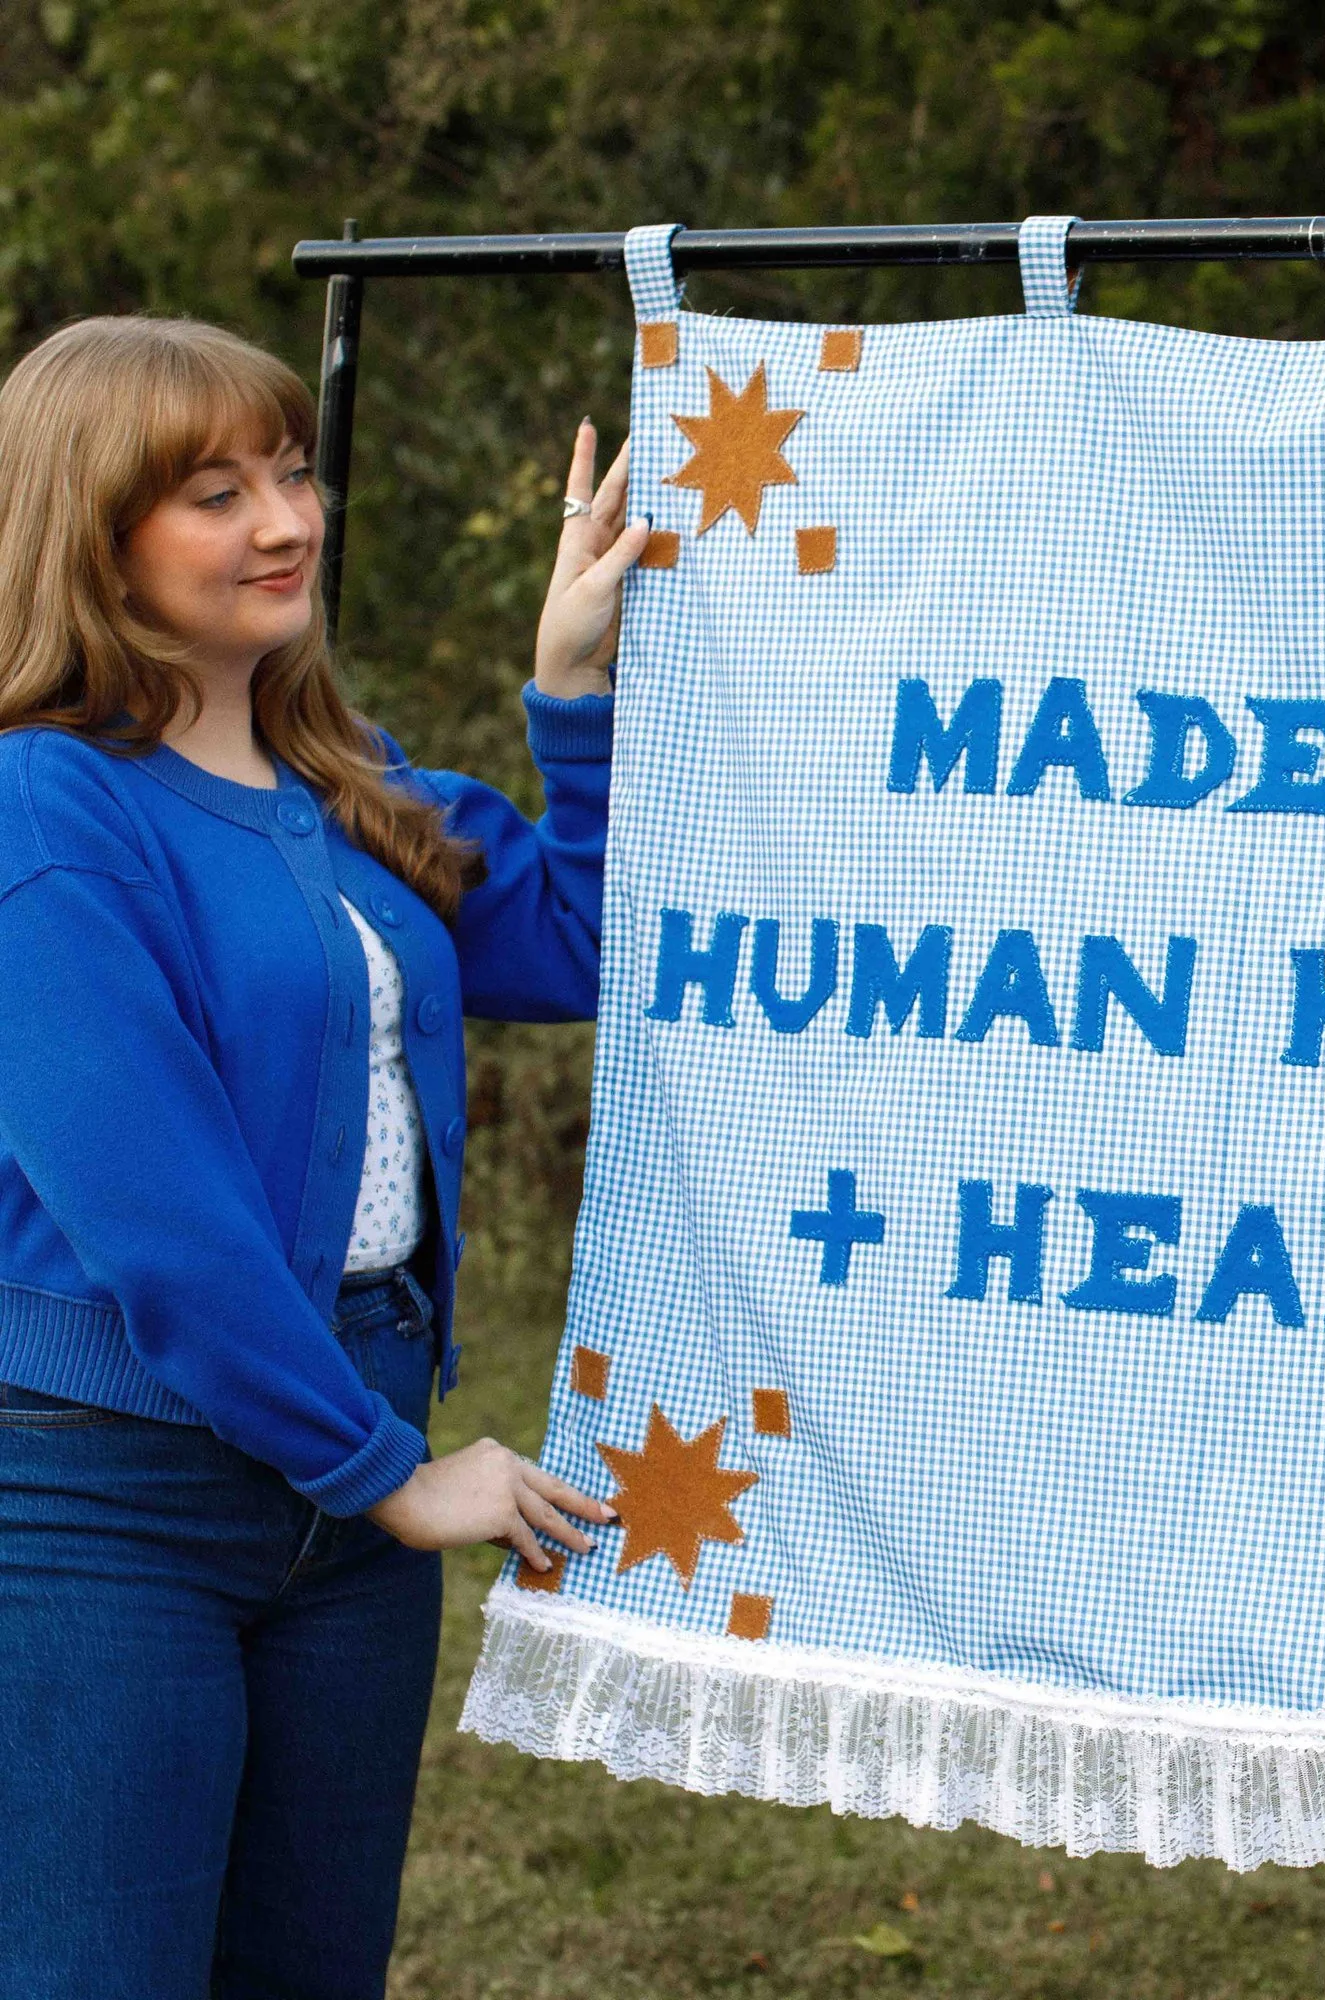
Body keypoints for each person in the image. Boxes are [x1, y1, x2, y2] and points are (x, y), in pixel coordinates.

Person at [0, 316, 647, 1998]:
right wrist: (386, 1471)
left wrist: (571, 691)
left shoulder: (348, 781)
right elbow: (158, 1217)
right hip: (100, 1495)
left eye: (290, 473)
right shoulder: (43, 808)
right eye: (214, 494)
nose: (287, 521)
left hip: (353, 1495)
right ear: (91, 531)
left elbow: (587, 943)